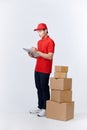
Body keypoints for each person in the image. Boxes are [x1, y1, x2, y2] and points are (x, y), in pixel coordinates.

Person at [28, 23, 55, 117]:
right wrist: (33, 55)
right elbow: (40, 56)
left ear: (46, 30)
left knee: (44, 88)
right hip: (38, 68)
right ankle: (40, 106)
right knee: (38, 87)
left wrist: (38, 52)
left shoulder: (50, 41)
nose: (39, 33)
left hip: (45, 69)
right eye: (38, 31)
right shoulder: (39, 42)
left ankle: (45, 108)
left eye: (40, 31)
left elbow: (50, 56)